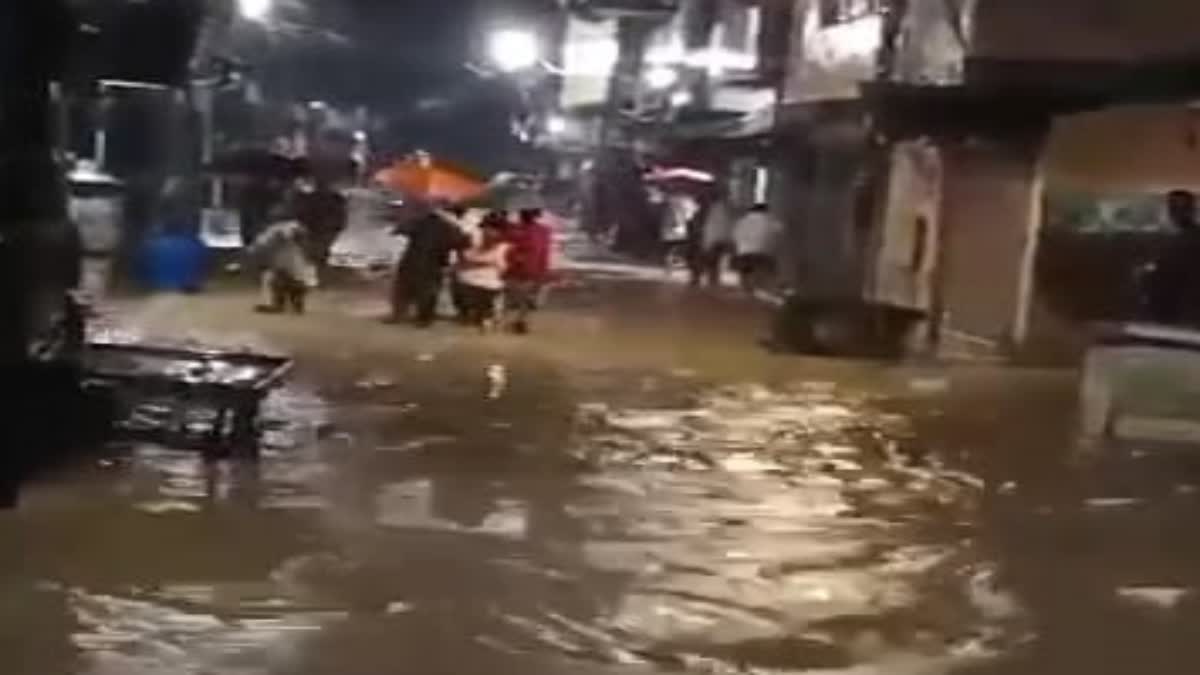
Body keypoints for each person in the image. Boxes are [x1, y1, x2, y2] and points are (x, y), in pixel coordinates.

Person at [389, 205, 468, 327]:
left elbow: (401, 230)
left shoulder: (423, 220)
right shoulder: (452, 227)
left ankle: (398, 314)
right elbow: (463, 243)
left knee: (403, 287)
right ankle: (424, 318)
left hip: (412, 258)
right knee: (428, 291)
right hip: (434, 263)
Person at [248, 208, 315, 315]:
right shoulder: (273, 229)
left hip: (291, 262)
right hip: (285, 262)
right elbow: (258, 246)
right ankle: (286, 304)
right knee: (279, 278)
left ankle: (285, 304)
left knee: (282, 279)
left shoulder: (288, 226)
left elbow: (298, 233)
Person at [1149, 189, 1200, 324]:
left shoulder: (1176, 244)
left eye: (1175, 208)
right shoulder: (1179, 240)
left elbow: (1164, 282)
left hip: (1183, 314)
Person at [455, 214, 510, 332]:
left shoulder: (469, 237)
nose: (490, 232)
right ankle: (486, 317)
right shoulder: (504, 246)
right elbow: (504, 269)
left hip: (467, 281)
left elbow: (461, 261)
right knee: (491, 295)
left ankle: (477, 315)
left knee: (480, 294)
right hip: (489, 284)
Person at [505, 208, 554, 334]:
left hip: (519, 268)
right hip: (526, 268)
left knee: (521, 297)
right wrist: (544, 272)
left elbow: (544, 253)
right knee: (525, 298)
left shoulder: (513, 229)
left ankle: (519, 321)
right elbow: (545, 253)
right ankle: (520, 321)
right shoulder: (543, 231)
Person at [294, 179, 348, 273]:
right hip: (322, 228)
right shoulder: (307, 199)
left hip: (324, 228)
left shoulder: (316, 198)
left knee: (321, 249)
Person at [732, 203, 783, 294]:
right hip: (764, 255)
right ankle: (772, 288)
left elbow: (735, 236)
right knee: (770, 269)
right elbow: (780, 232)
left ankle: (746, 288)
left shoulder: (742, 221)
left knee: (745, 268)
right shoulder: (771, 220)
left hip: (744, 255)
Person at [696, 196, 734, 287]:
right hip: (722, 238)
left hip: (713, 239)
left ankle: (711, 278)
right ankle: (714, 279)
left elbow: (710, 227)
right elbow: (728, 226)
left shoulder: (711, 211)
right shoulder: (726, 211)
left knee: (712, 260)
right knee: (716, 260)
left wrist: (706, 242)